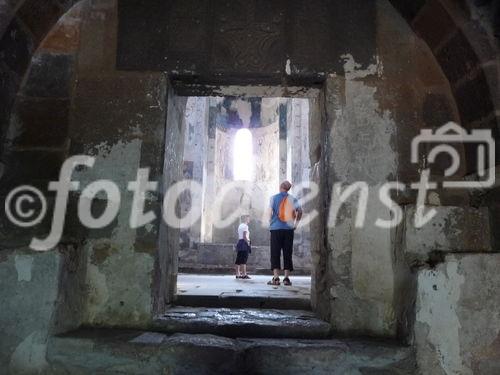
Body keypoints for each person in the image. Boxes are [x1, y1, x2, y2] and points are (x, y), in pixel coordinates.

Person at [267, 181, 302, 286]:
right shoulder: (293, 199)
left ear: (280, 187)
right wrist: (296, 224)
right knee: (287, 252)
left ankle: (276, 278)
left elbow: (269, 212)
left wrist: (271, 222)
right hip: (288, 229)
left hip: (276, 229)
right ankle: (286, 278)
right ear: (288, 189)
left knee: (275, 252)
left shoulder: (273, 198)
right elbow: (300, 211)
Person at [235, 214, 252, 279]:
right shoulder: (245, 226)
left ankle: (237, 274)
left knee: (238, 259)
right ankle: (244, 274)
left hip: (240, 242)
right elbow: (245, 236)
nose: (249, 220)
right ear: (245, 219)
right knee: (244, 259)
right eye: (248, 218)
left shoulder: (240, 226)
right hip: (244, 243)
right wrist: (248, 242)